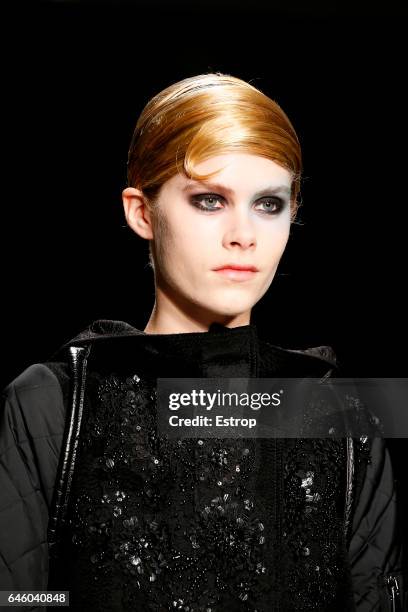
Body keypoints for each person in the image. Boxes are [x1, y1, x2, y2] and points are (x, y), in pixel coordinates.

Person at [0, 73, 404, 611]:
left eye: (269, 203)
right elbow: (18, 599)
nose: (244, 233)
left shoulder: (341, 412)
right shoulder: (53, 403)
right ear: (142, 212)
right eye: (210, 200)